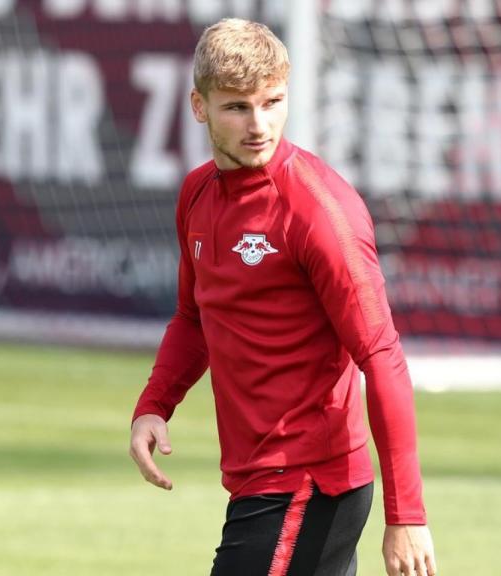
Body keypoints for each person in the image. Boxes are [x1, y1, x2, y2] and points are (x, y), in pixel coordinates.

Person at [129, 17, 437, 576]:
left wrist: (407, 515)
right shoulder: (196, 194)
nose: (259, 125)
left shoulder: (320, 212)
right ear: (199, 107)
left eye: (272, 102)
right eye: (237, 107)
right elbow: (194, 317)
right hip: (260, 480)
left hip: (307, 481)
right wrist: (155, 405)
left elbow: (382, 357)